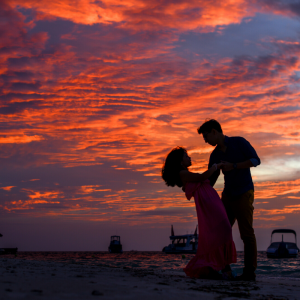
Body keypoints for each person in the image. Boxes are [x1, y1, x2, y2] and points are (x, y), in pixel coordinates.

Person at [197, 119, 260, 281]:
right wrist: (197, 190)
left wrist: (234, 165)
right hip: (227, 196)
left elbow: (255, 160)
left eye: (206, 136)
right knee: (220, 232)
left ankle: (249, 272)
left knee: (246, 234)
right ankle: (223, 268)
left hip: (244, 192)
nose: (205, 141)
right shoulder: (215, 155)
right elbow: (211, 179)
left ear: (214, 131)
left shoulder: (239, 142)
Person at [162, 147, 237, 279]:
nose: (189, 158)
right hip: (208, 203)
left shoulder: (185, 173)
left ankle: (219, 268)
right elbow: (202, 176)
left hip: (210, 200)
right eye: (186, 156)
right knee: (223, 230)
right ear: (180, 161)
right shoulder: (182, 173)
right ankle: (222, 269)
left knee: (222, 231)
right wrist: (215, 166)